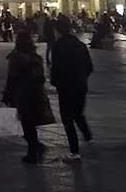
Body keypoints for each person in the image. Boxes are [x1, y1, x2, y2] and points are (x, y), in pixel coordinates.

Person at [3, 31, 52, 163]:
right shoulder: (35, 57)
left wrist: (7, 94)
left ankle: (35, 149)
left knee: (25, 124)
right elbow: (41, 78)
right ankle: (34, 150)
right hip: (36, 94)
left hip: (22, 94)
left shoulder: (15, 57)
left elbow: (11, 78)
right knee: (30, 124)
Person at [49, 16, 93, 161]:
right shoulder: (80, 44)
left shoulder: (58, 46)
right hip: (80, 85)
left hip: (66, 87)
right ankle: (88, 137)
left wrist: (56, 82)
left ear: (58, 31)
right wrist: (82, 78)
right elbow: (89, 67)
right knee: (78, 113)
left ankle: (74, 151)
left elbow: (56, 69)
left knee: (67, 119)